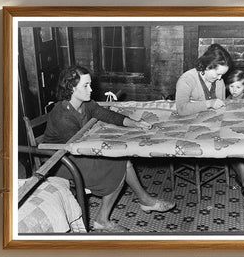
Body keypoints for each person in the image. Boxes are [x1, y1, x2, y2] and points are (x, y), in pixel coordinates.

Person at [43, 65, 175, 232]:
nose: (91, 89)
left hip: (77, 151)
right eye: (86, 85)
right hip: (61, 161)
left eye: (90, 84)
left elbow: (107, 115)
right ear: (71, 88)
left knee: (122, 160)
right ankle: (131, 207)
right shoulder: (62, 114)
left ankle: (141, 203)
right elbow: (79, 143)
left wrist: (134, 123)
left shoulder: (86, 104)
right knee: (118, 164)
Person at [175, 44, 244, 202]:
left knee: (238, 137)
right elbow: (181, 109)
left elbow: (221, 107)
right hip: (191, 128)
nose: (219, 78)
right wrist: (209, 104)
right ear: (208, 66)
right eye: (217, 74)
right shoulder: (187, 79)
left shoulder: (219, 82)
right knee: (233, 141)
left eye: (221, 75)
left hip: (212, 125)